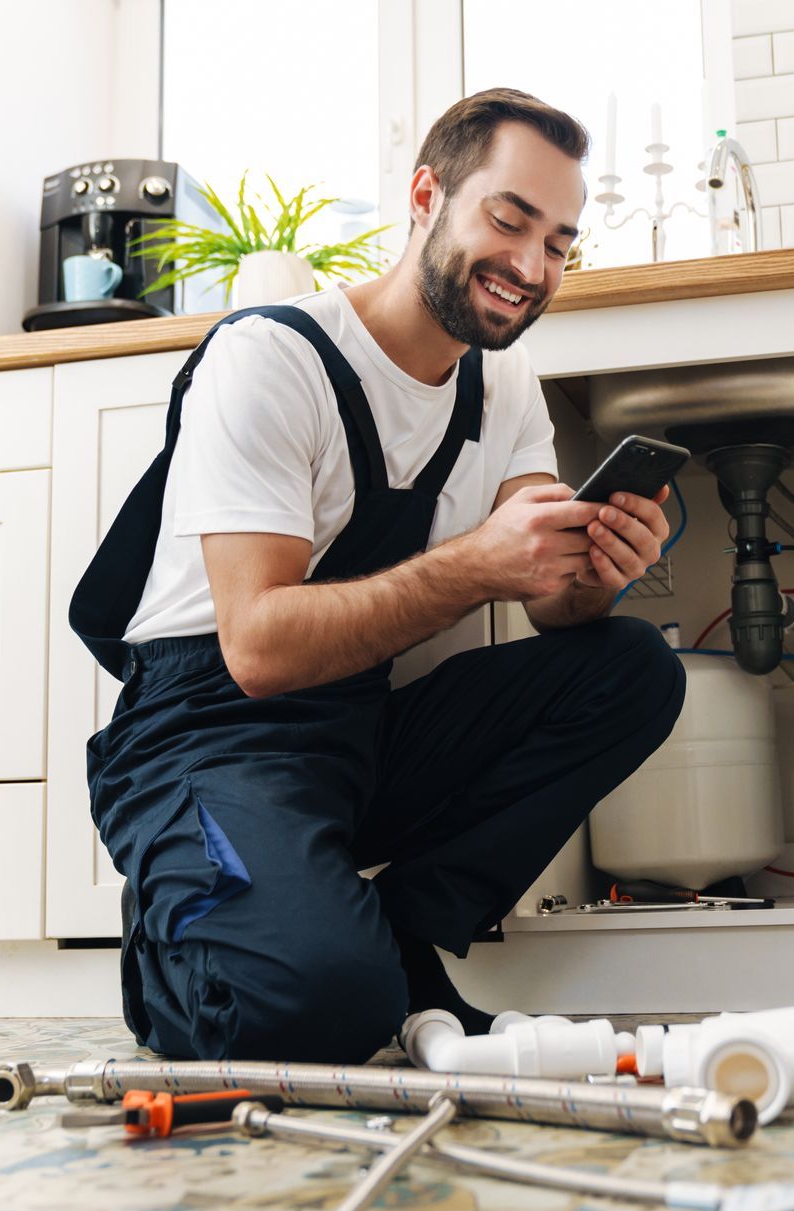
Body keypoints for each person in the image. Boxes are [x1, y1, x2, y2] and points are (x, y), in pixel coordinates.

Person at [68, 88, 683, 1065]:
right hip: (205, 737)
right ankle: (183, 941)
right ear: (427, 194)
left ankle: (402, 931)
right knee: (317, 1010)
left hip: (357, 730)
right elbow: (260, 648)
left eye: (560, 244)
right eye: (509, 219)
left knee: (632, 666)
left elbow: (556, 605)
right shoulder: (273, 359)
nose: (531, 267)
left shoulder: (504, 382)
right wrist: (477, 564)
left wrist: (599, 570)